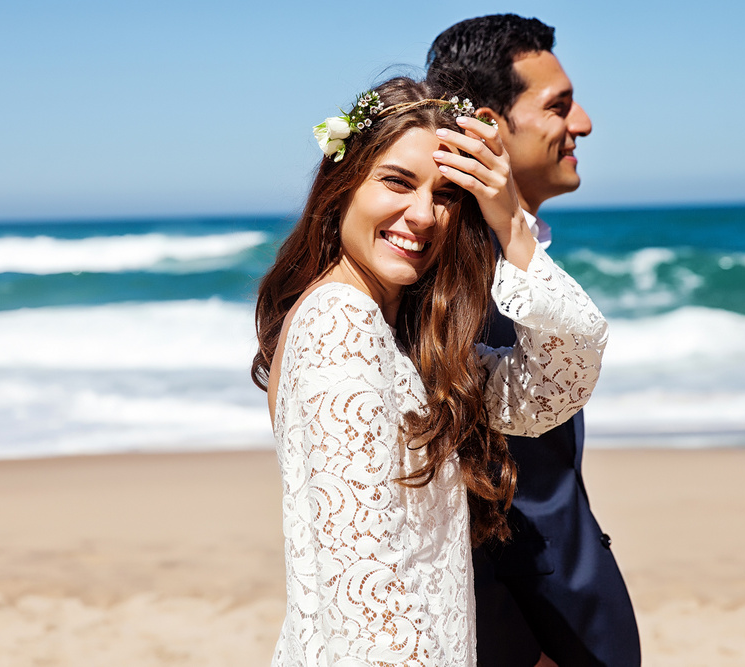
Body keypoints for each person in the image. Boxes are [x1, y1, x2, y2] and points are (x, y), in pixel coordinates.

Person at [251, 77, 609, 665]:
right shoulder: (339, 322)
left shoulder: (403, 339)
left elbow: (555, 382)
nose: (422, 214)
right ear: (340, 187)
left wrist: (511, 226)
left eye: (445, 194)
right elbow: (367, 589)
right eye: (397, 181)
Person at [427, 15, 642, 667]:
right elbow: (457, 489)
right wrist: (526, 646)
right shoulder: (455, 279)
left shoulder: (513, 257)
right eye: (559, 106)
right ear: (491, 126)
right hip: (540, 638)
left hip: (575, 613)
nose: (583, 123)